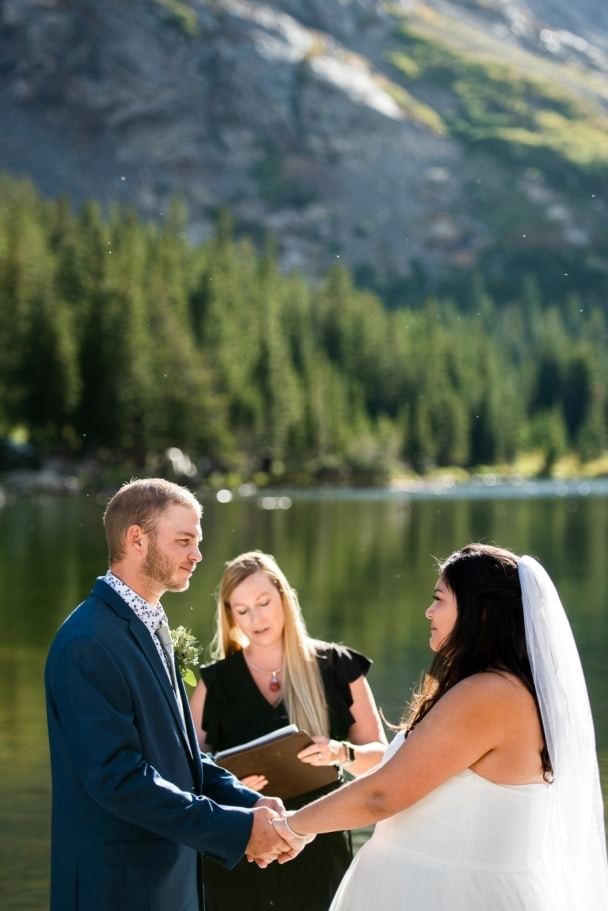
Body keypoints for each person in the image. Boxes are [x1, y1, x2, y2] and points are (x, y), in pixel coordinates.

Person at [273, 543, 608, 911]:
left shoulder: (490, 694)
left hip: (450, 895)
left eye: (440, 599)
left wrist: (290, 828)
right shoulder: (498, 688)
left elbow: (381, 796)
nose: (428, 611)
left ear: (479, 612)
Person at [44, 479, 301, 911]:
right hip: (116, 891)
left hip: (169, 882)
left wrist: (248, 801)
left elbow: (178, 754)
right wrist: (239, 831)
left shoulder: (150, 624)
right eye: (184, 541)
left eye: (197, 542)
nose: (197, 555)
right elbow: (120, 780)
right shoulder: (87, 642)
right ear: (137, 539)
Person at [189, 550, 387, 910]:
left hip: (320, 847)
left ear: (284, 597)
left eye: (264, 602)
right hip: (243, 851)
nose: (256, 618)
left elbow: (384, 763)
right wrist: (226, 785)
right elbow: (184, 770)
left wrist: (342, 753)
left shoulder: (338, 667)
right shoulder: (214, 683)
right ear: (230, 615)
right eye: (242, 609)